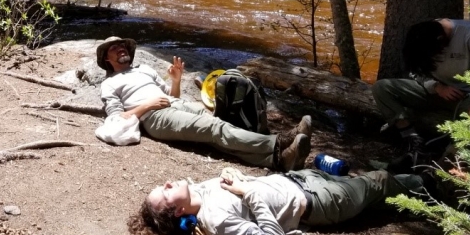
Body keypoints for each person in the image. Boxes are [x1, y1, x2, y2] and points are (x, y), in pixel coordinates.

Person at [97, 36, 312, 171]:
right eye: (114, 48)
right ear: (107, 58)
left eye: (122, 45)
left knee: (216, 125)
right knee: (214, 128)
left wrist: (176, 80)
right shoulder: (109, 83)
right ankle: (279, 142)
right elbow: (115, 119)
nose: (121, 49)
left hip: (174, 104)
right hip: (154, 118)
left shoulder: (145, 69)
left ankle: (278, 160)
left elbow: (174, 96)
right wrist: (147, 106)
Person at [130, 166, 424, 235]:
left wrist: (233, 173)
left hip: (300, 178)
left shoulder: (198, 190)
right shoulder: (217, 223)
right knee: (381, 181)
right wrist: (250, 192)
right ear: (179, 211)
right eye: (166, 192)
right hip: (318, 203)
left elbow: (231, 179)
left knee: (377, 186)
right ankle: (441, 186)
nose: (168, 183)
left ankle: (422, 183)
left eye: (163, 185)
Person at [372, 19, 470, 162]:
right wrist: (436, 87)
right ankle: (412, 141)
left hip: (468, 97)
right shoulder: (422, 37)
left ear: (441, 40)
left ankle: (446, 164)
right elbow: (416, 71)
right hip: (433, 91)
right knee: (382, 87)